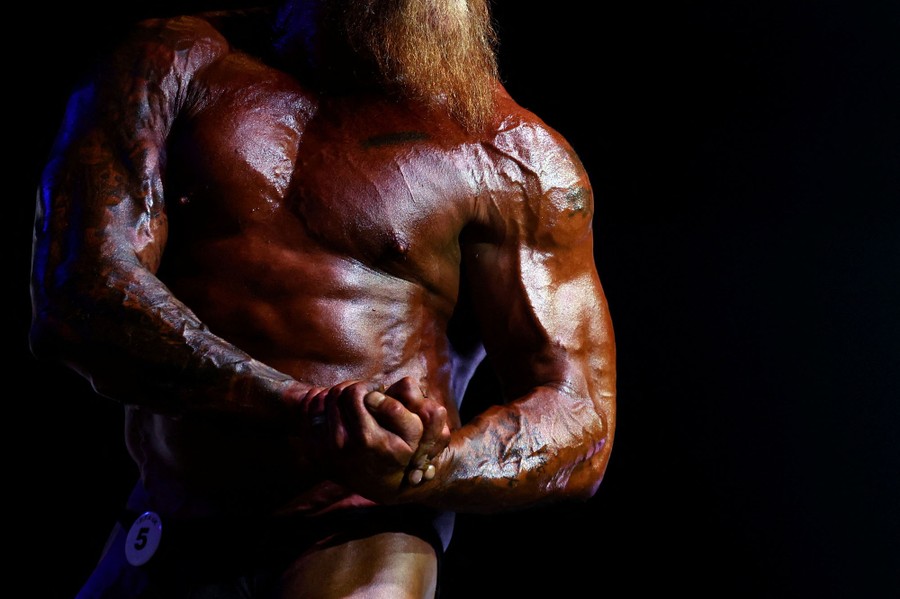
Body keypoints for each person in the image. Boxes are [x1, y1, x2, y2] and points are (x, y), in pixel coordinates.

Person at [30, 0, 617, 597]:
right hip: (166, 523)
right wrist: (300, 406)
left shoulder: (511, 152)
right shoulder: (171, 62)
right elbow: (82, 293)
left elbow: (580, 417)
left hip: (354, 538)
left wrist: (428, 466)